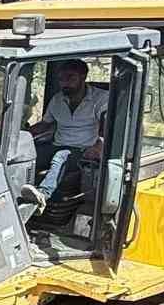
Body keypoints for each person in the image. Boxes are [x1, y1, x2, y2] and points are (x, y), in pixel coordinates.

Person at [21, 59, 106, 212]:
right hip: (57, 144)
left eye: (70, 78)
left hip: (84, 150)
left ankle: (42, 195)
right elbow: (45, 124)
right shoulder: (57, 99)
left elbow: (107, 124)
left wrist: (98, 146)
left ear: (83, 76)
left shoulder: (100, 98)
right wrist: (20, 134)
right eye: (61, 79)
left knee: (60, 157)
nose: (64, 83)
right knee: (26, 154)